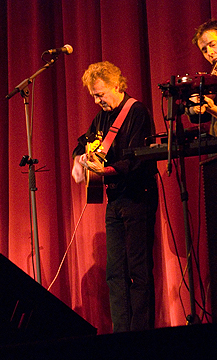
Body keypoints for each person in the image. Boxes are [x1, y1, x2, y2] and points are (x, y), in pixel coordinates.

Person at [72, 61, 158, 332]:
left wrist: (105, 170)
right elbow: (82, 143)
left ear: (117, 85)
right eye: (94, 96)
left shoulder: (137, 112)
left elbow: (137, 161)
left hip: (138, 197)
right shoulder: (101, 118)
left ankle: (141, 333)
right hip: (116, 201)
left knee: (138, 271)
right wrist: (78, 160)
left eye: (100, 94)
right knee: (114, 273)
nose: (98, 101)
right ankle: (121, 333)